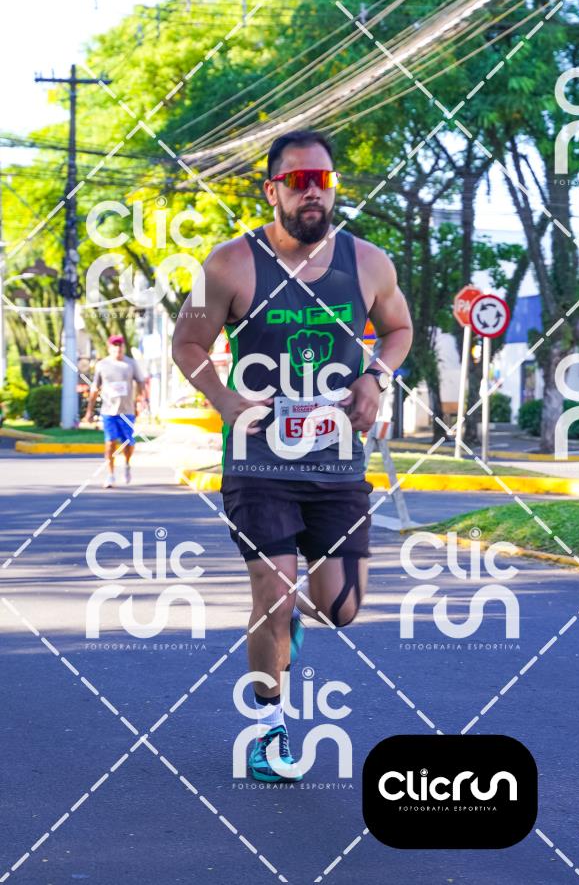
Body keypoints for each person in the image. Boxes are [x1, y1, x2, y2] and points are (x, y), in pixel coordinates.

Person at [172, 129, 413, 782]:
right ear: (271, 189)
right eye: (299, 180)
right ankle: (268, 728)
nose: (313, 192)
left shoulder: (369, 263)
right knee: (273, 594)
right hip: (259, 462)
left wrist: (376, 378)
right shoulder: (226, 265)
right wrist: (226, 401)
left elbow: (399, 329)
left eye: (323, 180)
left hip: (337, 463)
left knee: (341, 608)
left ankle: (285, 625)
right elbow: (187, 343)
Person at [84, 334, 147, 488]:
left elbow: (140, 382)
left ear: (123, 347)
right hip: (108, 411)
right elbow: (95, 388)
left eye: (120, 345)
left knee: (128, 442)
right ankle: (110, 474)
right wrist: (89, 411)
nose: (118, 348)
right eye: (115, 345)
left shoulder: (130, 364)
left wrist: (141, 401)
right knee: (110, 442)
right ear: (109, 347)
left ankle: (127, 464)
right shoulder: (102, 365)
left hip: (127, 411)